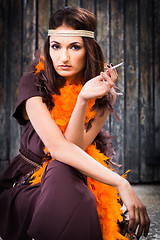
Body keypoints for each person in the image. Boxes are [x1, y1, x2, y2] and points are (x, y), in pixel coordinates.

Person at [0, 6, 150, 240]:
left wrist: (83, 100)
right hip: (30, 188)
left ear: (88, 50)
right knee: (61, 170)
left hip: (73, 182)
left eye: (75, 47)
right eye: (56, 46)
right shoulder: (32, 83)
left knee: (69, 178)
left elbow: (74, 149)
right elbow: (60, 150)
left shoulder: (101, 93)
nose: (64, 57)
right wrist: (122, 184)